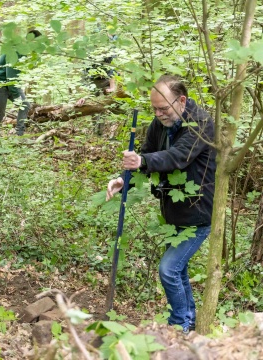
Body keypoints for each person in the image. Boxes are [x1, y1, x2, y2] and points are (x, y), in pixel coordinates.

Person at [105, 75, 216, 333]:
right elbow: (147, 154)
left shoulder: (200, 123)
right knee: (179, 271)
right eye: (154, 108)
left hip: (198, 213)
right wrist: (124, 180)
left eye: (163, 108)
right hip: (172, 213)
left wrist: (141, 161)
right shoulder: (159, 124)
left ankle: (178, 327)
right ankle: (188, 322)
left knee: (168, 270)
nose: (158, 114)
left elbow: (177, 157)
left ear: (182, 100)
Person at [0, 30, 42, 136]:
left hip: (12, 84)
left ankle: (20, 133)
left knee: (25, 104)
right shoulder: (17, 50)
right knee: (0, 113)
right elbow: (11, 75)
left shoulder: (26, 51)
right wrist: (17, 95)